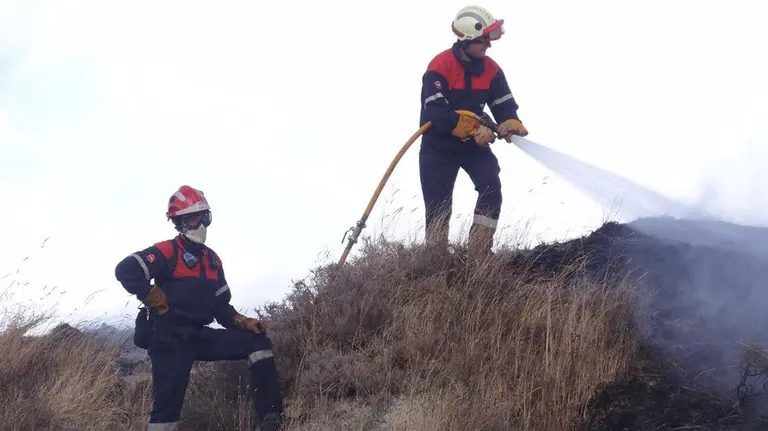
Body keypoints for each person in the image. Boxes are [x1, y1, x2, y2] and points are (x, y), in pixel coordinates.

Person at [114, 185, 284, 431]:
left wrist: (242, 321)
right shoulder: (167, 251)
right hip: (169, 338)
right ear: (179, 223)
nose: (199, 224)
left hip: (198, 335)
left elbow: (220, 308)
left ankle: (272, 421)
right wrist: (149, 293)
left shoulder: (212, 260)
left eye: (202, 217)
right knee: (166, 415)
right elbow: (126, 269)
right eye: (192, 219)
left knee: (258, 344)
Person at [419, 5, 529, 256]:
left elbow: (504, 104)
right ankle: (435, 261)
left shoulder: (491, 69)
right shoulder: (440, 66)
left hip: (472, 147)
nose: (487, 46)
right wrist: (474, 128)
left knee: (491, 186)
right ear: (466, 40)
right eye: (482, 41)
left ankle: (479, 254)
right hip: (438, 147)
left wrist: (511, 121)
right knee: (438, 207)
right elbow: (435, 112)